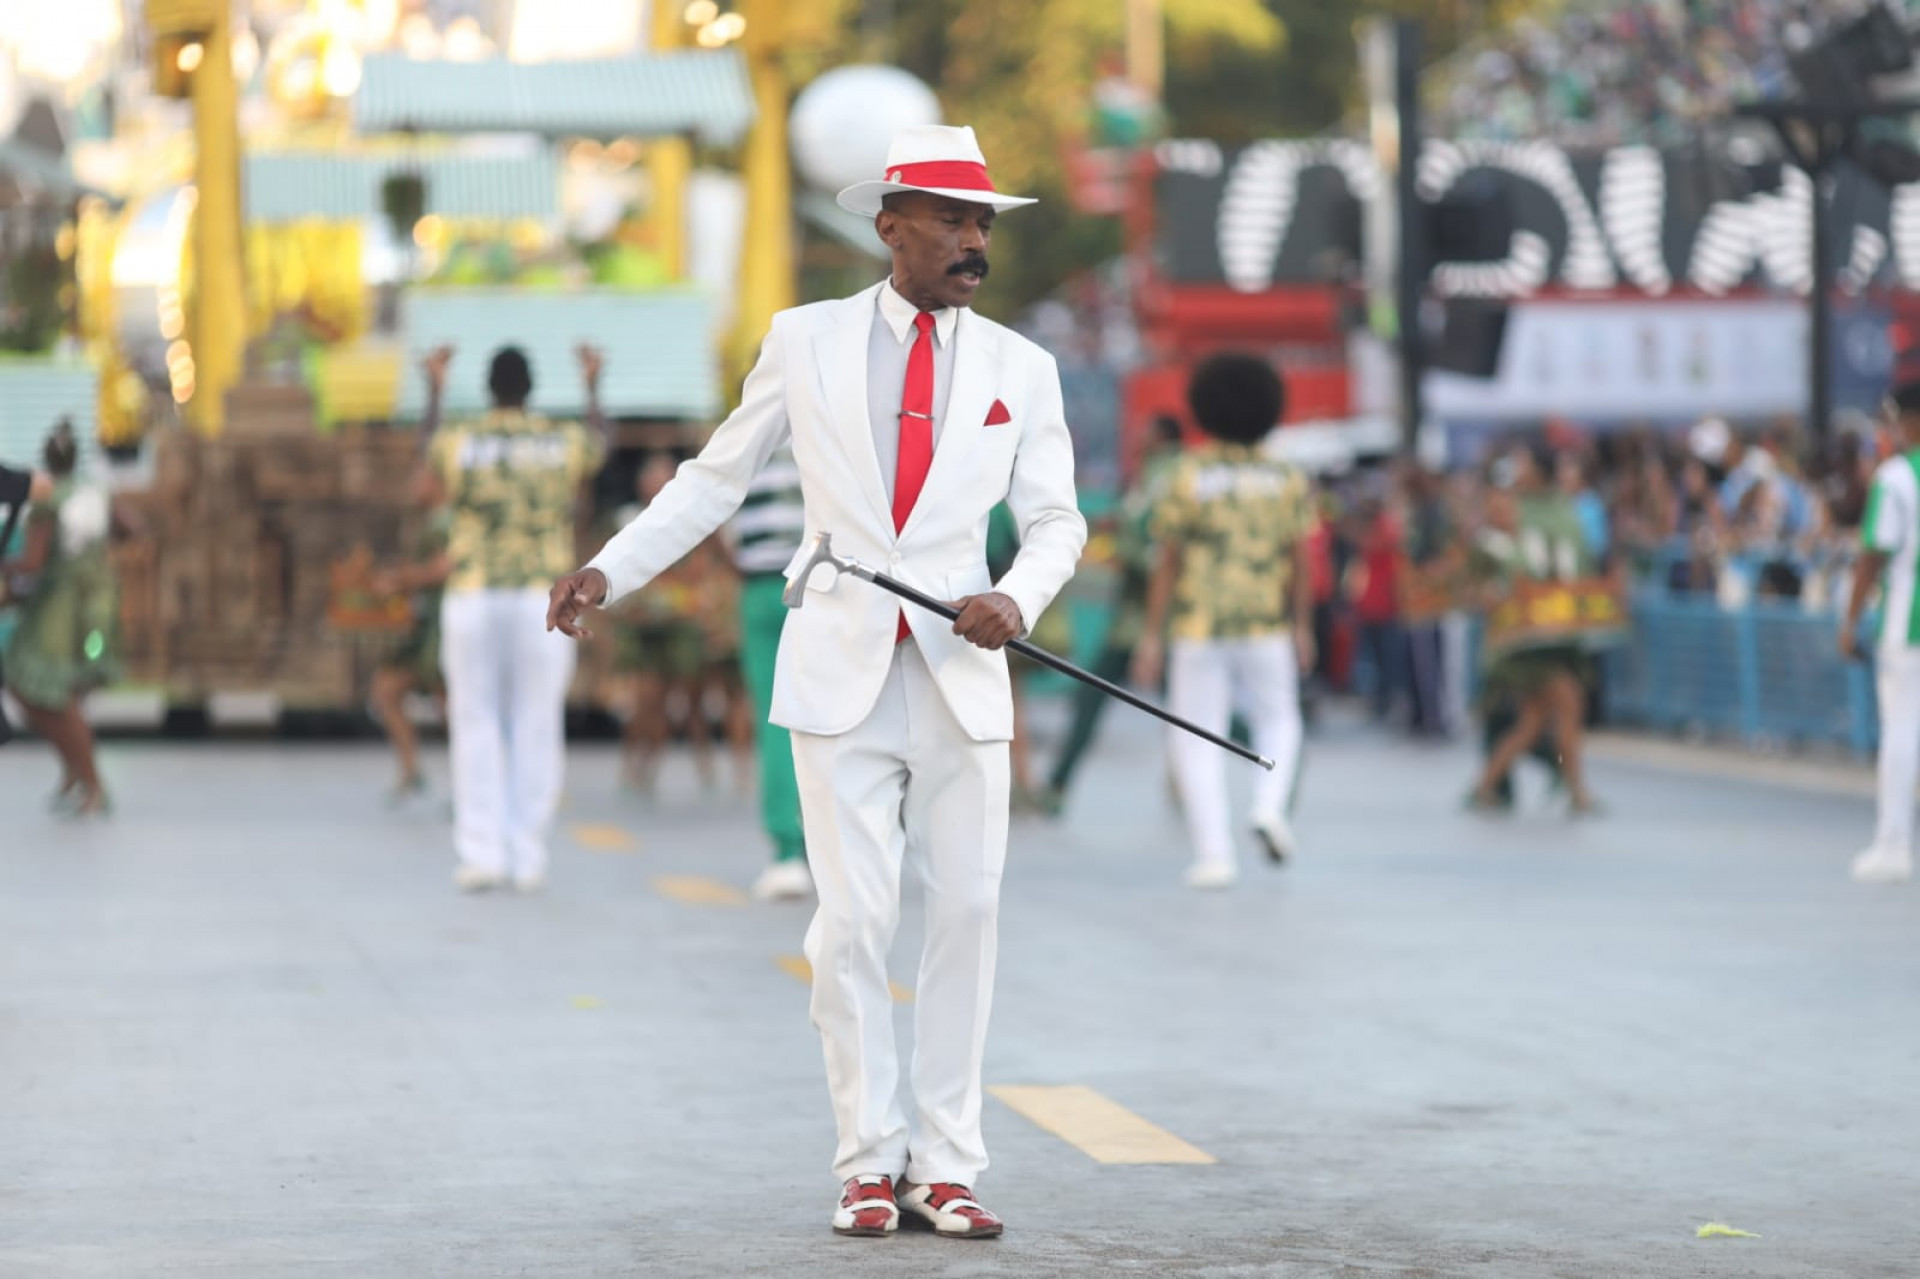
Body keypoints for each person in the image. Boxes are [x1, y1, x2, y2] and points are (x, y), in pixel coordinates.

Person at [548, 125, 1083, 1239]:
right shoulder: (805, 341)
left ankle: (949, 1165)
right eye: (949, 217)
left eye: (983, 220)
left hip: (961, 666)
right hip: (839, 661)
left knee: (970, 912)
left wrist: (1018, 598)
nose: (971, 238)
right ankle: (865, 1160)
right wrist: (611, 568)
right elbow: (714, 480)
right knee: (851, 923)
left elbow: (1054, 520)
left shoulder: (1021, 370)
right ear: (889, 225)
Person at [423, 342, 608, 893]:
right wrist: (593, 385)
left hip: (473, 593)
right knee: (537, 720)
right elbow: (602, 444)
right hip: (543, 599)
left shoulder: (463, 437)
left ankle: (481, 853)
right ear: (531, 389)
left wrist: (434, 388)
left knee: (474, 719)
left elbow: (427, 450)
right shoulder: (559, 439)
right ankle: (528, 855)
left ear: (489, 389)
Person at [1131, 353, 1314, 889]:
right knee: (1280, 719)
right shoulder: (1285, 475)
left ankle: (1215, 855)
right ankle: (1268, 807)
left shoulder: (1190, 474)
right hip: (1265, 622)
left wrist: (1150, 635)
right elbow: (1300, 557)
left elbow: (1168, 560)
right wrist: (1302, 624)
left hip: (1198, 623)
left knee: (1195, 738)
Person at [1036, 413, 1184, 815]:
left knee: (1100, 698)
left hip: (1152, 621)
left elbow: (1155, 552)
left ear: (1163, 438)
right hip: (1149, 620)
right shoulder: (1152, 476)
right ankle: (1058, 783)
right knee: (1184, 705)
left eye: (1146, 433)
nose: (1138, 438)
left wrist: (1123, 543)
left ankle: (1058, 784)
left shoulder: (1163, 476)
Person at [0, 422, 118, 814]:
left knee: (44, 693)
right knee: (54, 696)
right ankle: (76, 774)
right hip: (93, 606)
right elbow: (131, 527)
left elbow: (31, 562)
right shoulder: (92, 491)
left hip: (57, 609)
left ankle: (91, 780)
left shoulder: (50, 498)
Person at [1841, 382, 1920, 884]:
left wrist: (1849, 619)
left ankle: (1893, 842)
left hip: (1906, 627)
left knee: (1901, 732)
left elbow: (1873, 554)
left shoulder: (1894, 478)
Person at [727, 447, 812, 901]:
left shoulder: (750, 445)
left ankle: (787, 851)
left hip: (761, 590)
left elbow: (723, 529)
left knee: (777, 722)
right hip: (824, 588)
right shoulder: (826, 427)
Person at [369, 466, 451, 805]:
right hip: (421, 625)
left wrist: (402, 581)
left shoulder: (447, 521)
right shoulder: (430, 520)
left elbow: (445, 569)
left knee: (450, 705)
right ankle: (410, 769)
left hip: (442, 625)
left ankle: (471, 785)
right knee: (387, 689)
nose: (413, 485)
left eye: (419, 478)